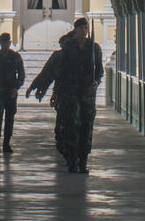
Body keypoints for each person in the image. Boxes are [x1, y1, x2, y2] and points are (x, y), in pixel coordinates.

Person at [27, 17, 103, 173]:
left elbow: (99, 70)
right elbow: (57, 71)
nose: (83, 30)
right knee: (72, 126)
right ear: (75, 30)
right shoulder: (68, 49)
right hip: (71, 93)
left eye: (85, 28)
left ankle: (83, 161)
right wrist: (54, 91)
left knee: (86, 127)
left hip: (87, 94)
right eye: (80, 28)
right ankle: (72, 159)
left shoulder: (94, 48)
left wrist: (96, 81)